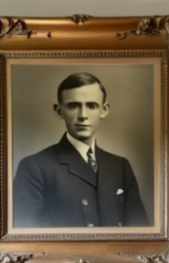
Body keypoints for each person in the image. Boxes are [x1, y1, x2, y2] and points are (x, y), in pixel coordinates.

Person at [13, 72, 148, 229]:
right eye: (73, 106)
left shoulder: (120, 166)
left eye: (91, 106)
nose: (83, 115)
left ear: (104, 110)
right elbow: (26, 237)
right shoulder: (35, 167)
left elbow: (140, 232)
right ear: (59, 111)